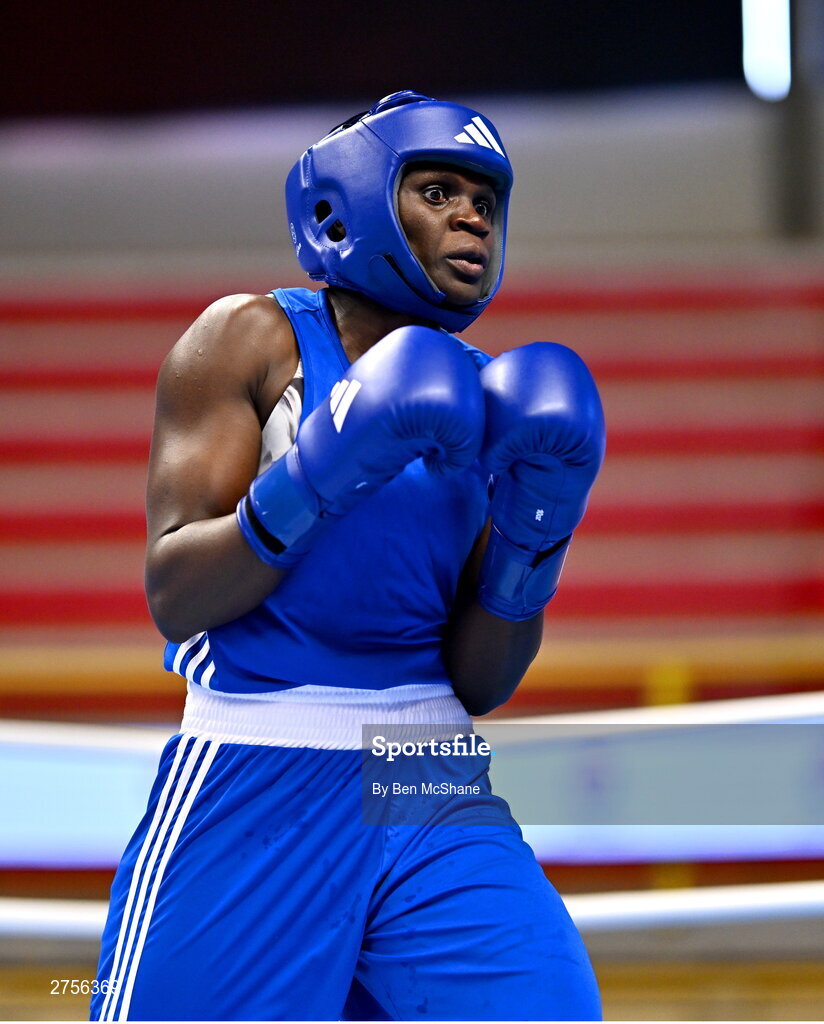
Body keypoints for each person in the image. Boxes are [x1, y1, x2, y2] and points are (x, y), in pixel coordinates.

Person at [90, 90, 605, 1022]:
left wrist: (538, 534)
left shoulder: (496, 402)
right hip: (259, 766)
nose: (470, 219)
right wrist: (324, 468)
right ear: (351, 203)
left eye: (485, 202)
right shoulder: (252, 343)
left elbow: (482, 680)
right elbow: (175, 593)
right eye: (438, 190)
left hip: (424, 770)